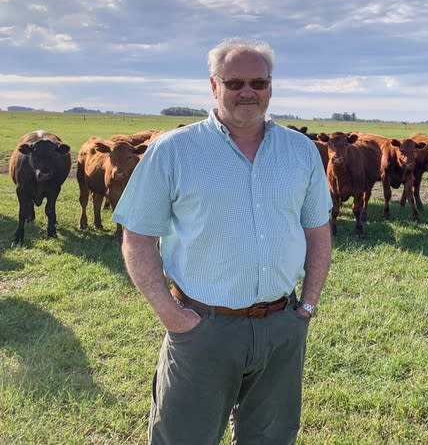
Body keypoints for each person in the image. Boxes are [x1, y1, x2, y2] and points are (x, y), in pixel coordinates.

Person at [113, 38, 333, 445]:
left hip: (282, 324)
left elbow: (317, 230)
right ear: (214, 86)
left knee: (271, 436)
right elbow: (137, 236)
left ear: (270, 86)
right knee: (184, 436)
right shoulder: (173, 151)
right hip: (203, 327)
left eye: (258, 82)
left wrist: (307, 304)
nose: (247, 92)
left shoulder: (301, 151)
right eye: (234, 83)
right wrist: (172, 315)